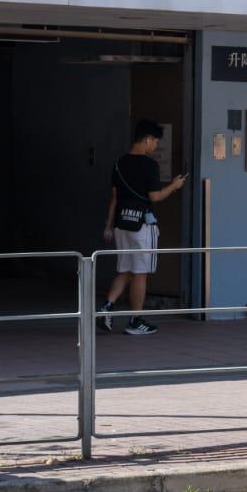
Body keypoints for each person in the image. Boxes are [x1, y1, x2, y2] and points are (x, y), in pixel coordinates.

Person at [100, 120, 185, 336]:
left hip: (121, 224)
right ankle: (135, 320)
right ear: (147, 139)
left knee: (126, 269)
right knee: (140, 273)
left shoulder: (119, 163)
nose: (155, 145)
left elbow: (114, 197)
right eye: (155, 141)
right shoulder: (149, 165)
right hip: (141, 226)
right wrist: (174, 187)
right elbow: (154, 197)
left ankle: (107, 307)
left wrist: (108, 226)